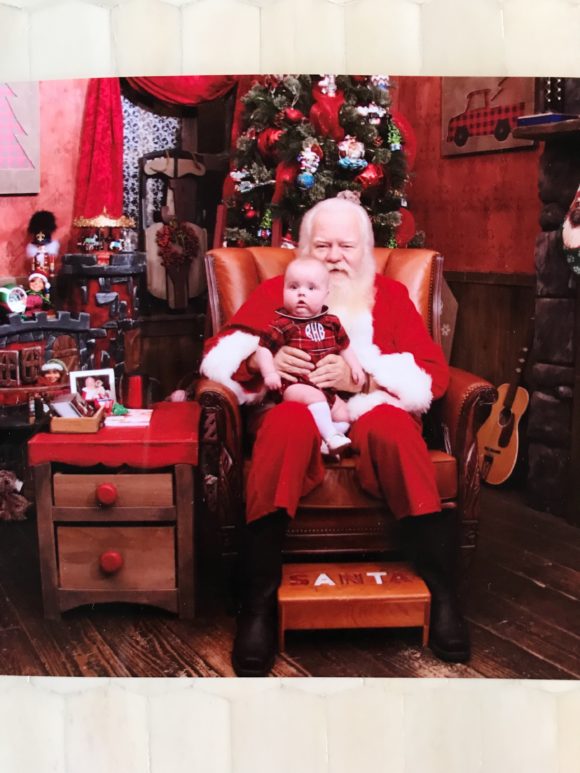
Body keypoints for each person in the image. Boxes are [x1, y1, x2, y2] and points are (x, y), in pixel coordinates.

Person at [200, 196, 469, 676]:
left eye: (346, 245)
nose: (333, 256)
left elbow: (430, 374)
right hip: (294, 406)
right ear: (303, 248)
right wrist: (262, 364)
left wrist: (361, 380)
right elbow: (225, 350)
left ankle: (441, 590)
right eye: (321, 244)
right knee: (284, 425)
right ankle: (258, 603)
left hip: (367, 405)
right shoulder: (279, 293)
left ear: (366, 249)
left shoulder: (389, 294)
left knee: (391, 426)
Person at [254, 257, 365, 454]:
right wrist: (270, 373)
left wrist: (355, 368)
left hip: (327, 391)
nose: (301, 293)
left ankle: (324, 440)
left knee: (345, 414)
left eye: (311, 288)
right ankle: (331, 436)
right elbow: (262, 349)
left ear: (325, 294)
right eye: (293, 287)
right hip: (294, 387)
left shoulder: (332, 322)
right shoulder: (282, 324)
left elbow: (345, 346)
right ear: (283, 290)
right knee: (314, 397)